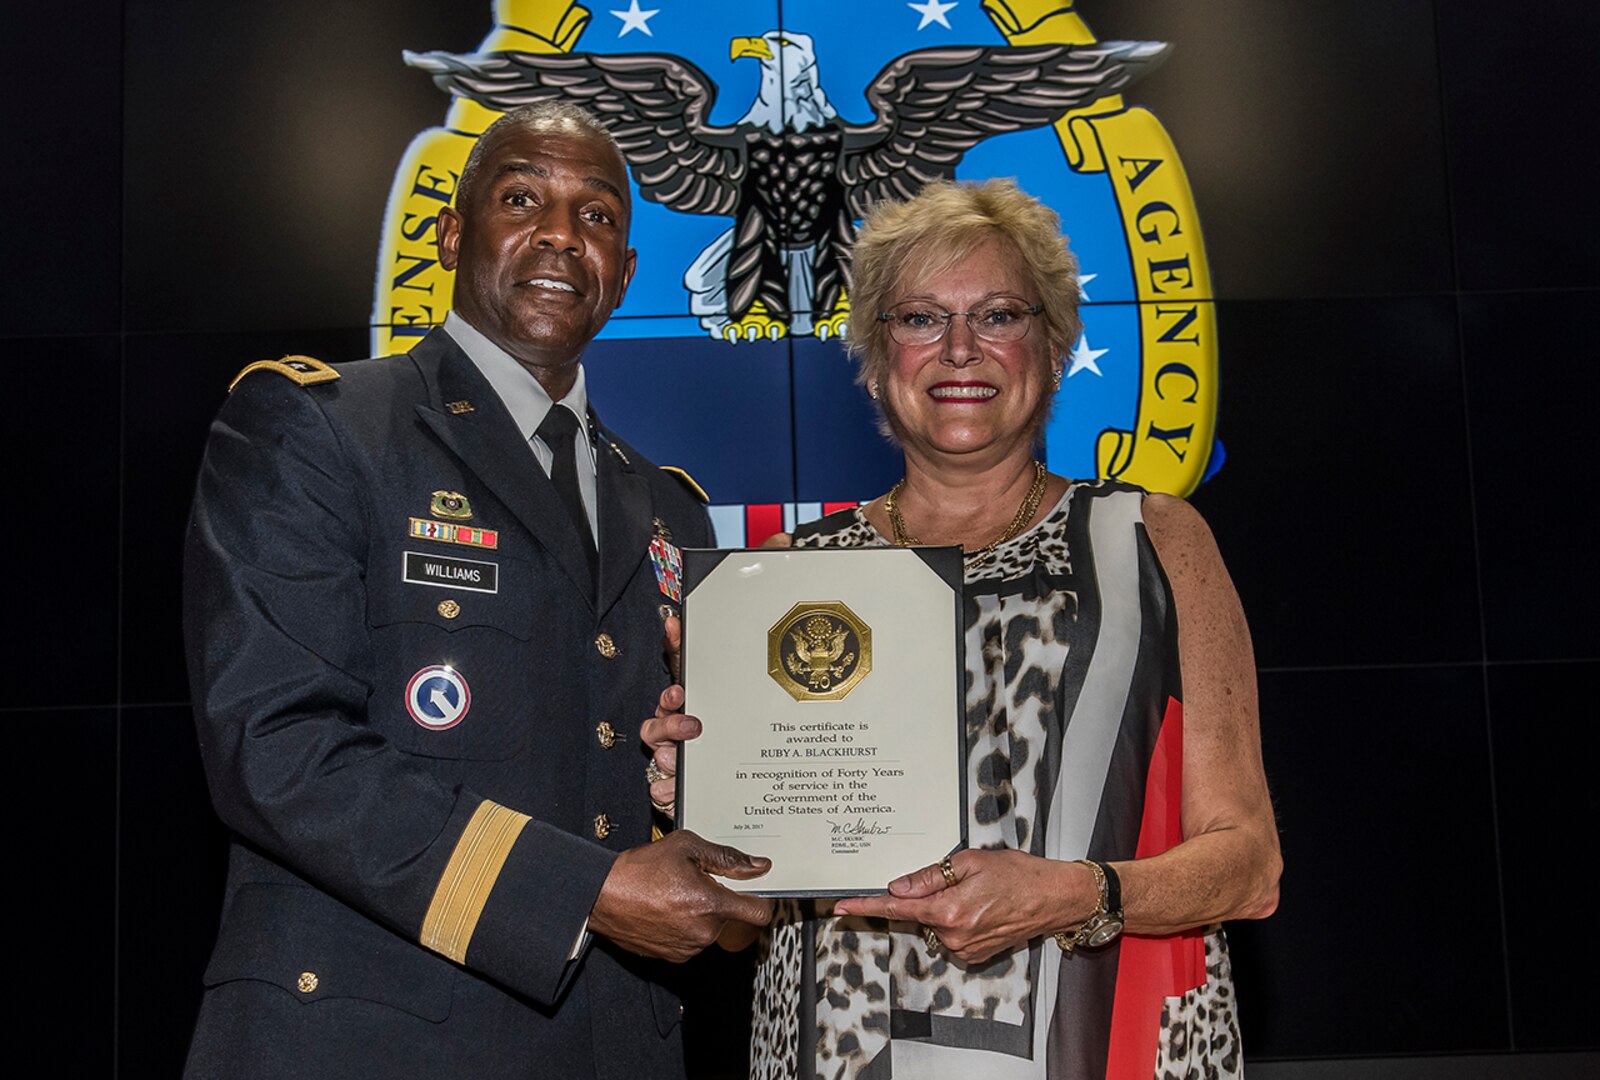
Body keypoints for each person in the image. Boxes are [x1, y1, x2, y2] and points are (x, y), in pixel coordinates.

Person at [182, 102, 772, 1079]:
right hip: (372, 1044)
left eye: (596, 216)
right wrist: (582, 893)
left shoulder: (672, 513)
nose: (558, 235)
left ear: (625, 275)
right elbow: (277, 745)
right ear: (456, 234)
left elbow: (656, 785)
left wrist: (704, 829)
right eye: (520, 198)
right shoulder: (319, 429)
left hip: (613, 1044)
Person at [644, 179, 1281, 1079]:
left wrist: (1075, 894)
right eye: (918, 319)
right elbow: (741, 928)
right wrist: (705, 807)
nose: (958, 350)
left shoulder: (1154, 540)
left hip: (1100, 1041)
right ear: (872, 359)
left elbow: (1249, 866)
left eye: (998, 315)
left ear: (1054, 347)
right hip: (837, 1048)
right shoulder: (782, 576)